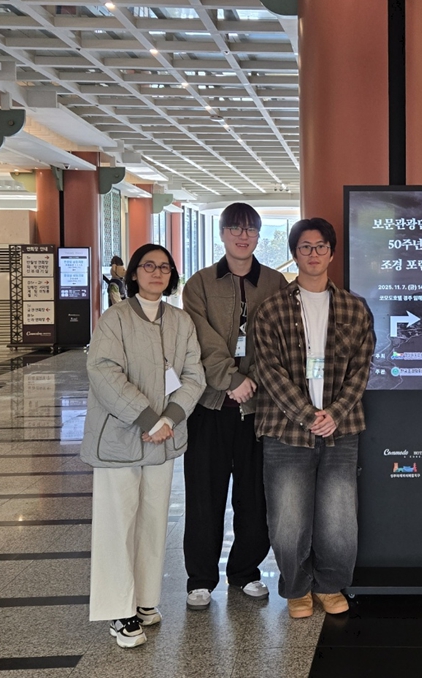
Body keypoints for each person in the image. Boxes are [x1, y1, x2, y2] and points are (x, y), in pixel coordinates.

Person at [81, 243, 205, 648]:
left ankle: (145, 600)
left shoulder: (180, 321)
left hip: (164, 438)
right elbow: (103, 371)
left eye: (165, 267)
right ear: (134, 273)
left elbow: (194, 376)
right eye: (149, 266)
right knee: (118, 524)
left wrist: (169, 419)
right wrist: (148, 419)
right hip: (120, 438)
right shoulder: (114, 319)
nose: (157, 273)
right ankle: (119, 610)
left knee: (153, 520)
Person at [253, 218, 374, 620]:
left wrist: (334, 414)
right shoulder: (272, 309)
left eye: (321, 246)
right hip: (285, 429)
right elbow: (268, 369)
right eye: (305, 247)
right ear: (295, 254)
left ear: (332, 253)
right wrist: (308, 416)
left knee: (339, 518)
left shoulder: (354, 307)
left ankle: (329, 584)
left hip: (342, 429)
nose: (313, 254)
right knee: (288, 519)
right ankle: (296, 587)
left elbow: (362, 368)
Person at [180, 203, 288, 611]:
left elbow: (281, 338)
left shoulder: (275, 282)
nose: (243, 237)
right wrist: (230, 378)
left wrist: (252, 380)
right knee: (204, 494)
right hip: (210, 405)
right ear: (222, 234)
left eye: (251, 230)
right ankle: (200, 578)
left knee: (254, 494)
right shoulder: (200, 284)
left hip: (259, 407)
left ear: (258, 236)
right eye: (235, 229)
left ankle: (245, 571)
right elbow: (200, 338)